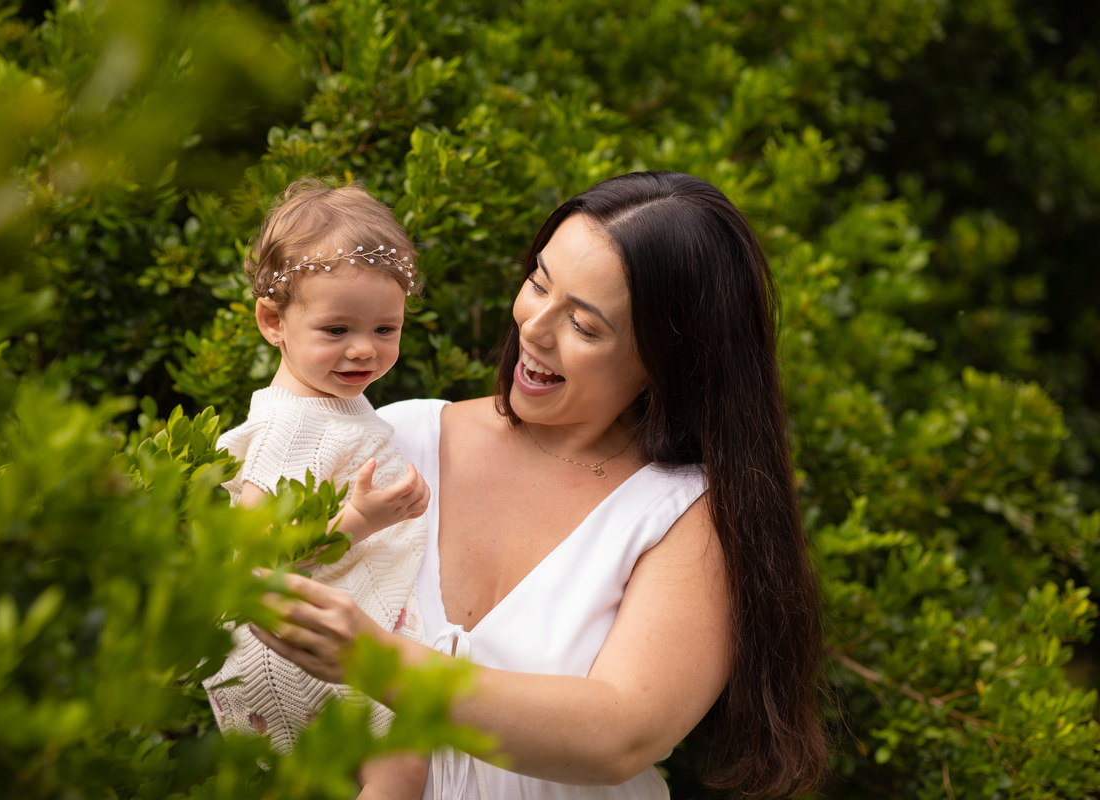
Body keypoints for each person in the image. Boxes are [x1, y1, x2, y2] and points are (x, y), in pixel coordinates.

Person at [254, 171, 827, 798]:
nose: (533, 327)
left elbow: (621, 735)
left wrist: (381, 664)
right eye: (538, 284)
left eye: (583, 326)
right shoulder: (389, 442)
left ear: (667, 357)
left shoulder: (687, 514)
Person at [204, 178, 431, 799]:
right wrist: (361, 517)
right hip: (289, 648)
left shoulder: (328, 408)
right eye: (337, 331)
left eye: (386, 329)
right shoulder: (290, 427)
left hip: (316, 635)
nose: (364, 349)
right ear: (273, 321)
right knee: (402, 761)